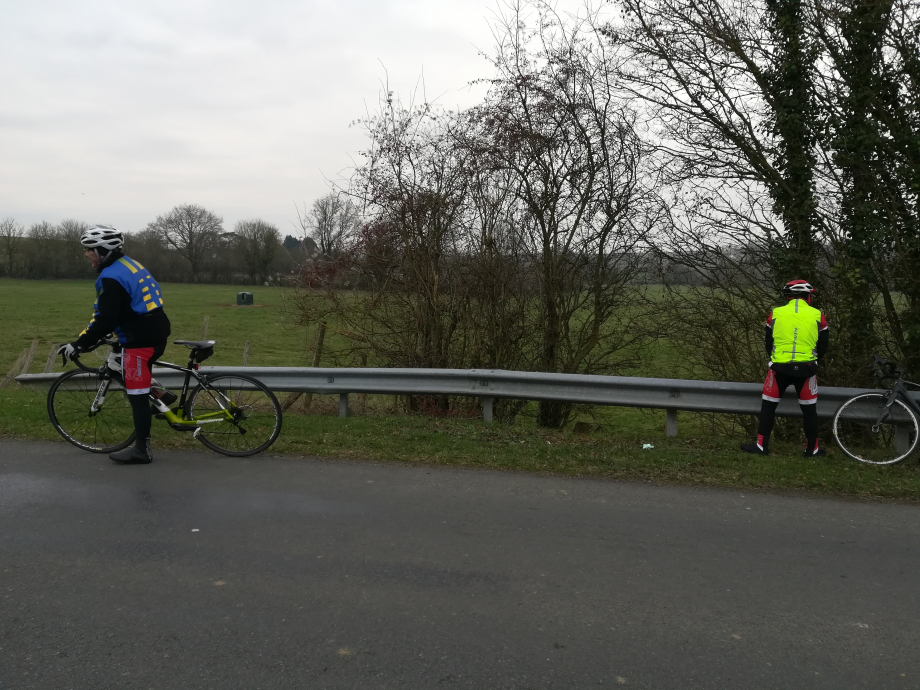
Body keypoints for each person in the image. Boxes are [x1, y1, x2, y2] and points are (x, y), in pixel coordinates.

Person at [58, 225, 171, 465]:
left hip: (139, 339)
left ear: (102, 250)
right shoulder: (129, 264)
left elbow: (105, 319)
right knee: (127, 367)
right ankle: (161, 394)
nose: (86, 254)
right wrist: (91, 337)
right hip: (155, 328)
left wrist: (78, 344)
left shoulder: (110, 278)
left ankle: (142, 450)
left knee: (136, 394)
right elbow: (114, 312)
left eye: (89, 249)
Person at [740, 280, 829, 457]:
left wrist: (776, 357)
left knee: (768, 406)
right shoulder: (818, 315)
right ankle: (812, 449)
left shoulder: (775, 313)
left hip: (779, 367)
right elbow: (824, 345)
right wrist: (813, 359)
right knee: (809, 410)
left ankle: (761, 446)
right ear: (807, 296)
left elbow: (768, 341)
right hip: (807, 368)